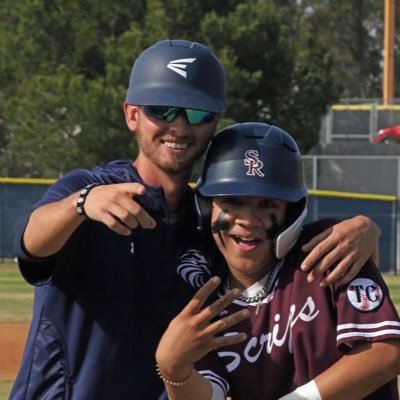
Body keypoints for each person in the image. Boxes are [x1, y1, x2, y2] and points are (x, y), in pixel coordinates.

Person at [11, 39, 379, 400]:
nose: (180, 126)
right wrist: (81, 204)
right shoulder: (91, 189)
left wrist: (365, 230)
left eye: (198, 113)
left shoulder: (212, 221)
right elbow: (32, 246)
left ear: (215, 124)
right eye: (162, 109)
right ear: (132, 115)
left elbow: (289, 263)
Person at [156, 122, 400, 400]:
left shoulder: (327, 248)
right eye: (232, 201)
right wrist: (174, 370)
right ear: (206, 207)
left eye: (267, 204)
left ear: (291, 213)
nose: (248, 220)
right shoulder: (206, 298)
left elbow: (384, 354)